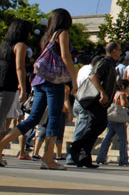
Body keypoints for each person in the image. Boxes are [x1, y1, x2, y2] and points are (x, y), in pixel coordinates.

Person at [0, 9, 77, 170]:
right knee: (54, 117)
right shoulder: (62, 33)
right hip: (53, 81)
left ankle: (1, 145)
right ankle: (48, 158)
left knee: (33, 118)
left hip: (39, 80)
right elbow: (65, 56)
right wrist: (73, 78)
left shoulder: (46, 36)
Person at [69, 41, 120, 168]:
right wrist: (102, 92)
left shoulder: (111, 64)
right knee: (99, 124)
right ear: (113, 50)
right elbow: (94, 76)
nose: (120, 52)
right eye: (119, 49)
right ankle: (77, 147)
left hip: (102, 101)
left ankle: (84, 155)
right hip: (96, 100)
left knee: (95, 125)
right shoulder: (105, 62)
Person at [0, 19, 32, 165]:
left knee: (2, 122)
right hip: (8, 85)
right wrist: (23, 88)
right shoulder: (20, 46)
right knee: (1, 120)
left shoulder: (2, 45)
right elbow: (20, 68)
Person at [95, 79, 129, 166]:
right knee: (123, 140)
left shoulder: (115, 93)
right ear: (124, 87)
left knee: (107, 138)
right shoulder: (122, 94)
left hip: (111, 117)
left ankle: (100, 157)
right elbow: (124, 104)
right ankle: (123, 159)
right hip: (119, 119)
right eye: (128, 86)